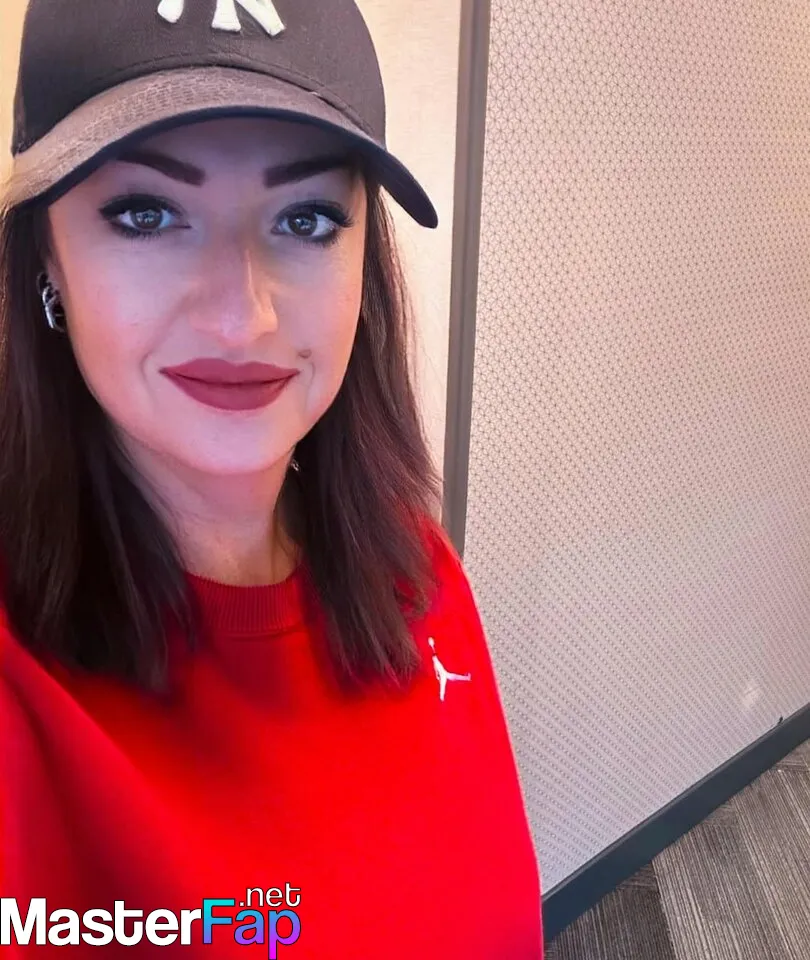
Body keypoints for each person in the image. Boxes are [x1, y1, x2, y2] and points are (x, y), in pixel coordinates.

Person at [0, 0, 543, 956]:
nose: (241, 318)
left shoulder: (415, 567)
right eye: (146, 214)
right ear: (47, 250)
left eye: (306, 217)